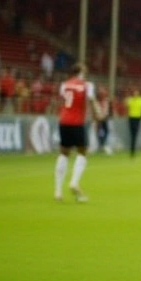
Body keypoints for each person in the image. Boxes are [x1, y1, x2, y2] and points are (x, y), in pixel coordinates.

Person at [55, 63, 94, 202]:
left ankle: (58, 191)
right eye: (85, 70)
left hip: (63, 121)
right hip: (77, 122)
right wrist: (97, 114)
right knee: (82, 152)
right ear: (81, 72)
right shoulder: (87, 85)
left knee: (64, 153)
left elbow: (62, 100)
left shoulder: (64, 85)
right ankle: (74, 182)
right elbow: (91, 101)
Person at [125, 88, 141, 157]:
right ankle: (132, 150)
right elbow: (126, 106)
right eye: (134, 92)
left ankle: (133, 150)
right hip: (131, 118)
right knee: (132, 134)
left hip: (138, 118)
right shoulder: (130, 99)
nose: (135, 94)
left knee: (135, 134)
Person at [93, 89, 113, 155]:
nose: (102, 95)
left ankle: (103, 145)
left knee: (106, 132)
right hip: (99, 120)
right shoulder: (96, 102)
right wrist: (96, 118)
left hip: (105, 119)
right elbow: (95, 110)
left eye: (103, 94)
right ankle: (101, 146)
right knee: (100, 133)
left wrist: (109, 116)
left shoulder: (106, 101)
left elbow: (109, 109)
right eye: (101, 94)